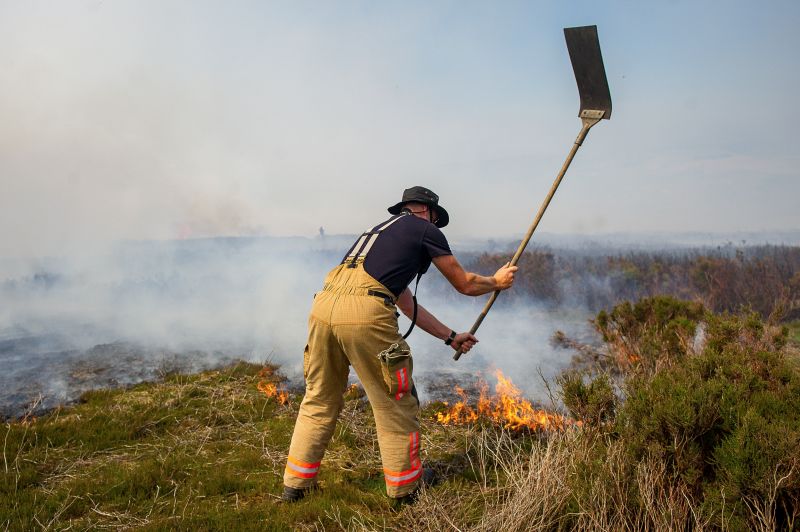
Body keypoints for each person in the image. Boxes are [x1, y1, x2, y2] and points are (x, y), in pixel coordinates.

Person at [282, 186, 517, 504]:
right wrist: (496, 281)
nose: (435, 224)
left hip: (323, 308)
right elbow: (464, 283)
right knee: (394, 402)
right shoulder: (424, 229)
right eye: (435, 217)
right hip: (364, 313)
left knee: (319, 399)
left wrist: (450, 336)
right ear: (426, 210)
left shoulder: (374, 233)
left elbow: (405, 302)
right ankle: (406, 489)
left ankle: (296, 486)